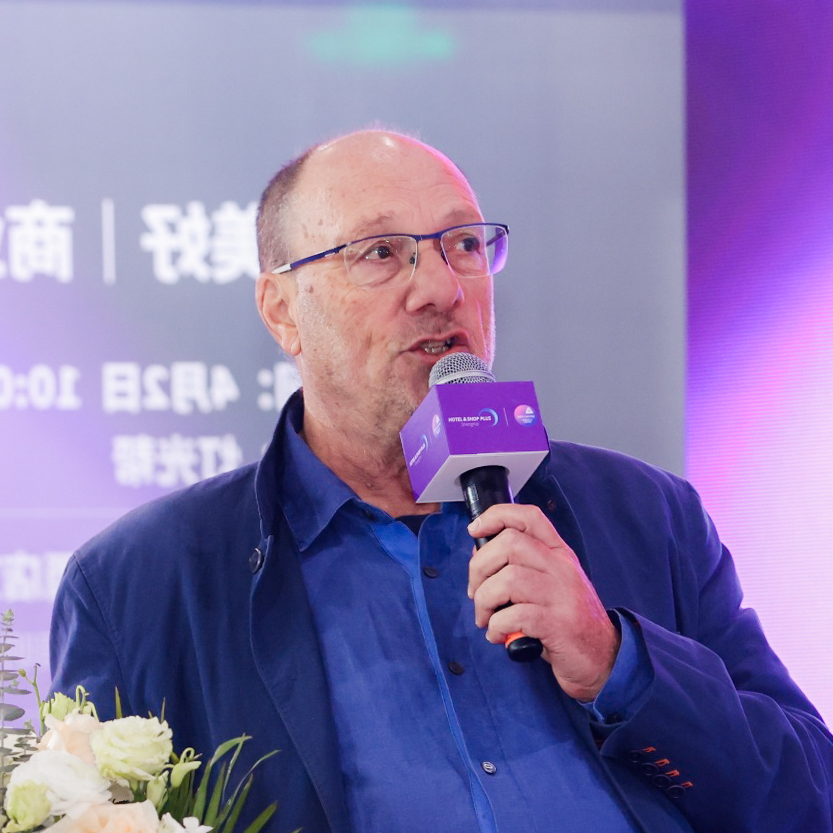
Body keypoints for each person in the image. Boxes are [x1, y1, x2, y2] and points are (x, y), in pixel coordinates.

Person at [50, 130, 833, 833]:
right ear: (282, 310)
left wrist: (616, 661)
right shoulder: (137, 584)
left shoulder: (646, 515)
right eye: (380, 253)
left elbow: (808, 794)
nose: (442, 288)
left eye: (462, 244)